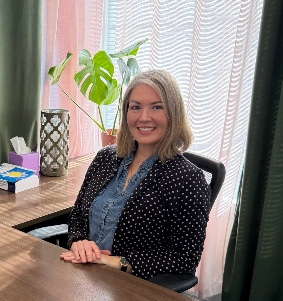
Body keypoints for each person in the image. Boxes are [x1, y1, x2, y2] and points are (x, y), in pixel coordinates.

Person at [60, 69, 211, 280]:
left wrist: (117, 262)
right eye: (136, 107)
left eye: (157, 107)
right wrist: (79, 241)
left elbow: (185, 258)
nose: (144, 117)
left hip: (132, 290)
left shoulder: (188, 180)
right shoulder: (106, 158)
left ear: (173, 113)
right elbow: (77, 214)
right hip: (83, 274)